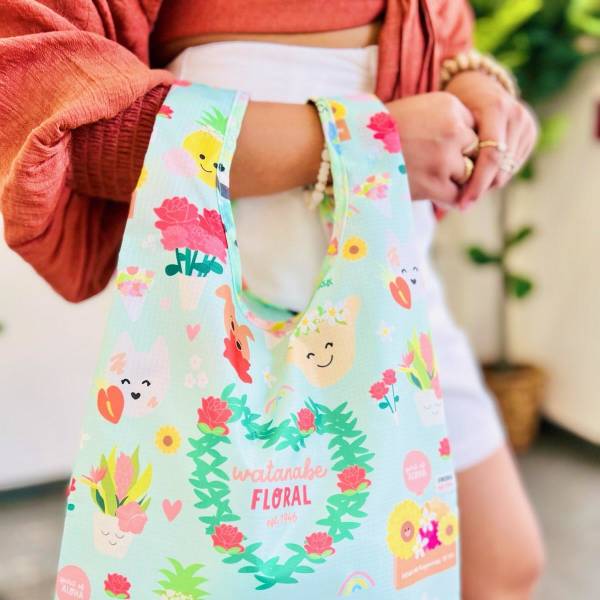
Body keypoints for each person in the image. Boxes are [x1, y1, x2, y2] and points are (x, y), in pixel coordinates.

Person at [0, 1, 544, 597]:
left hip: (395, 299)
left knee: (503, 563)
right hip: (220, 327)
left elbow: (444, 37)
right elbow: (53, 117)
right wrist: (361, 142)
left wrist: (474, 83)